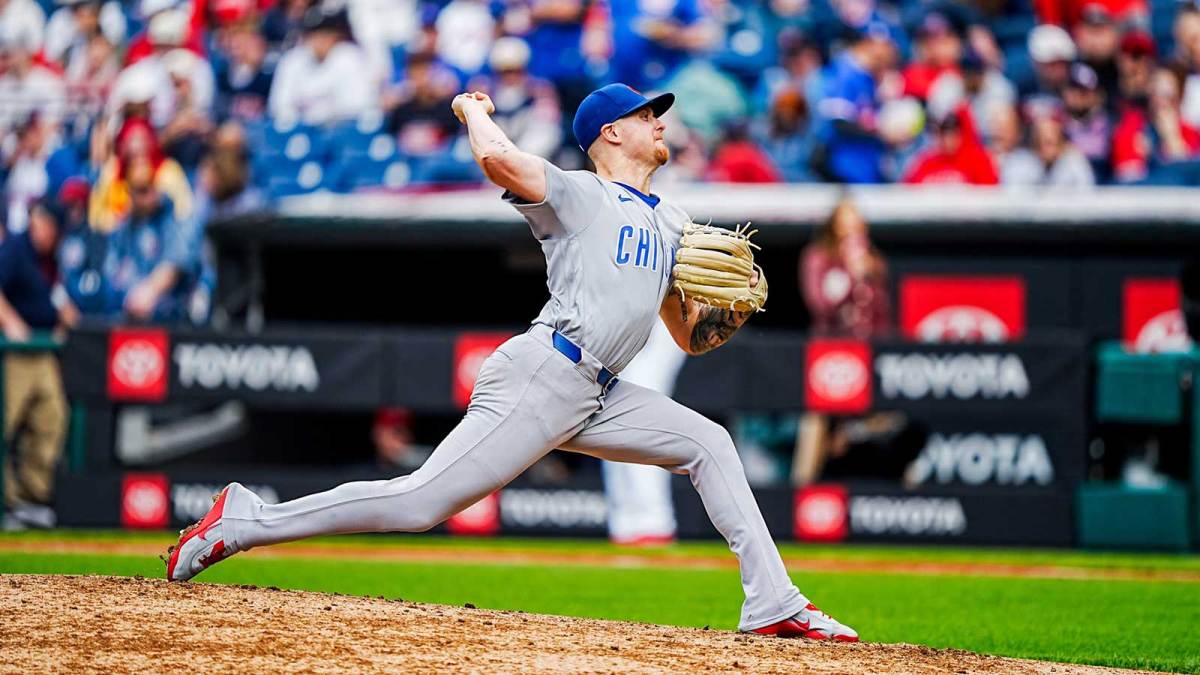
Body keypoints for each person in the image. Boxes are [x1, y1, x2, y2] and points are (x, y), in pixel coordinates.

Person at [166, 82, 859, 642]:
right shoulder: (579, 194)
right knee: (417, 502)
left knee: (709, 442)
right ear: (610, 132)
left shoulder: (672, 220)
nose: (660, 122)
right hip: (544, 371)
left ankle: (773, 601)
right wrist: (472, 109)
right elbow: (500, 162)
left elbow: (683, 337)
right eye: (648, 114)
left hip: (602, 392)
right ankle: (245, 519)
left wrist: (721, 322)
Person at [0, 200, 78, 529]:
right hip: (15, 351)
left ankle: (32, 498)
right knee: (6, 421)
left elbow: (57, 300)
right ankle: (8, 500)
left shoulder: (50, 260)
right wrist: (11, 323)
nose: (48, 233)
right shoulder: (16, 248)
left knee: (52, 418)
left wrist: (67, 322)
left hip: (43, 351)